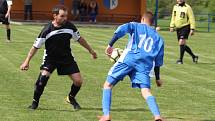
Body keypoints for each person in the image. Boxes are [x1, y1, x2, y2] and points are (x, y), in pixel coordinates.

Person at [20, 5, 97, 110]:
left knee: (78, 81)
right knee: (42, 80)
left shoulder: (70, 26)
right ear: (55, 16)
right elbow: (35, 47)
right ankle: (35, 102)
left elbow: (79, 39)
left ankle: (71, 98)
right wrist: (26, 61)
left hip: (66, 58)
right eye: (62, 16)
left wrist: (91, 50)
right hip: (50, 58)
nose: (65, 18)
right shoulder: (46, 30)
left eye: (66, 16)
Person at [98, 11, 164, 121]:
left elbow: (121, 30)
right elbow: (158, 62)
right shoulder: (159, 39)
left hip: (129, 59)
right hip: (144, 65)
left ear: (142, 19)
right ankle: (157, 116)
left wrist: (110, 44)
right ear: (152, 23)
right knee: (146, 91)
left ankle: (106, 115)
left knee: (108, 85)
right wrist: (157, 78)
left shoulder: (135, 25)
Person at [170, 0, 198, 64]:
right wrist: (171, 26)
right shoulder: (175, 7)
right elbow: (173, 17)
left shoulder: (188, 7)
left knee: (181, 42)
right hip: (178, 28)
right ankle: (194, 56)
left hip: (185, 27)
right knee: (182, 44)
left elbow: (191, 18)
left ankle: (180, 60)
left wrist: (192, 29)